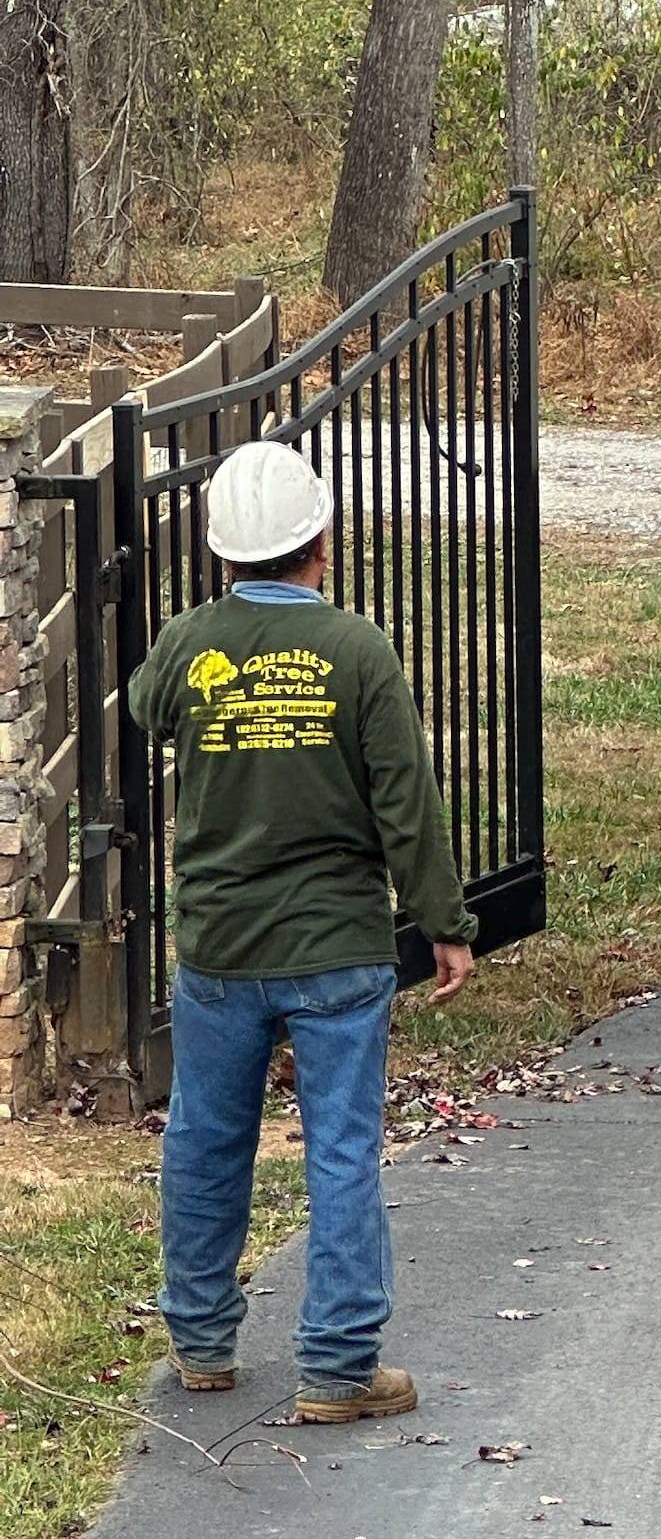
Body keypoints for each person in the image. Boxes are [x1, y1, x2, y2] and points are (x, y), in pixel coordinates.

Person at [127, 438, 474, 1424]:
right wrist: (443, 921)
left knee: (204, 1133)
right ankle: (337, 1364)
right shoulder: (358, 650)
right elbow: (405, 797)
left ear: (220, 551)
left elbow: (149, 708)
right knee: (341, 1145)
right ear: (322, 537)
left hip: (222, 947)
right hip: (338, 951)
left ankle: (199, 1339)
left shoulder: (192, 641)